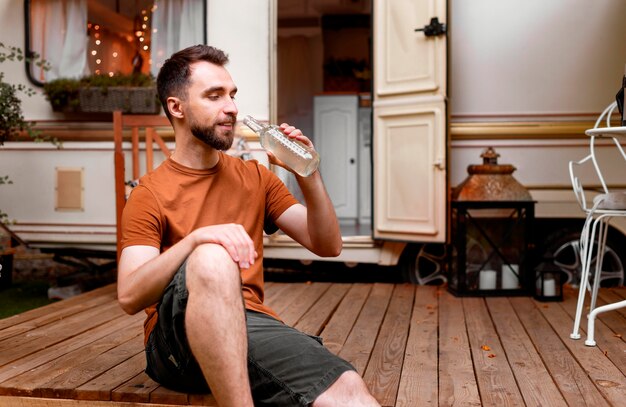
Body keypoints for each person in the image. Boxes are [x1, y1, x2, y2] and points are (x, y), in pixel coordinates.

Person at [116, 44, 380, 407]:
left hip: (249, 323)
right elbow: (130, 295)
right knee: (211, 257)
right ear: (177, 107)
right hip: (174, 344)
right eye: (214, 96)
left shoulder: (255, 178)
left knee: (349, 389)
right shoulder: (149, 193)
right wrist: (196, 241)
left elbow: (327, 244)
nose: (232, 107)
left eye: (232, 95)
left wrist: (309, 174)